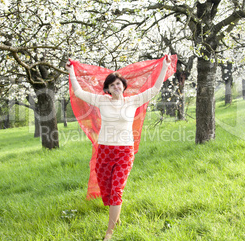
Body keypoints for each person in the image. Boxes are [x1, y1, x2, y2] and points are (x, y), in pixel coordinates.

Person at [66, 55, 172, 240]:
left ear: (123, 86)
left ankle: (109, 232)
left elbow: (154, 89)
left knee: (117, 190)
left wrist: (164, 66)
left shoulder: (132, 101)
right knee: (106, 188)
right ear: (107, 89)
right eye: (112, 85)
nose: (116, 87)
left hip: (124, 151)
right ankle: (117, 217)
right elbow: (79, 92)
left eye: (119, 84)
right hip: (105, 151)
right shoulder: (102, 101)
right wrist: (71, 71)